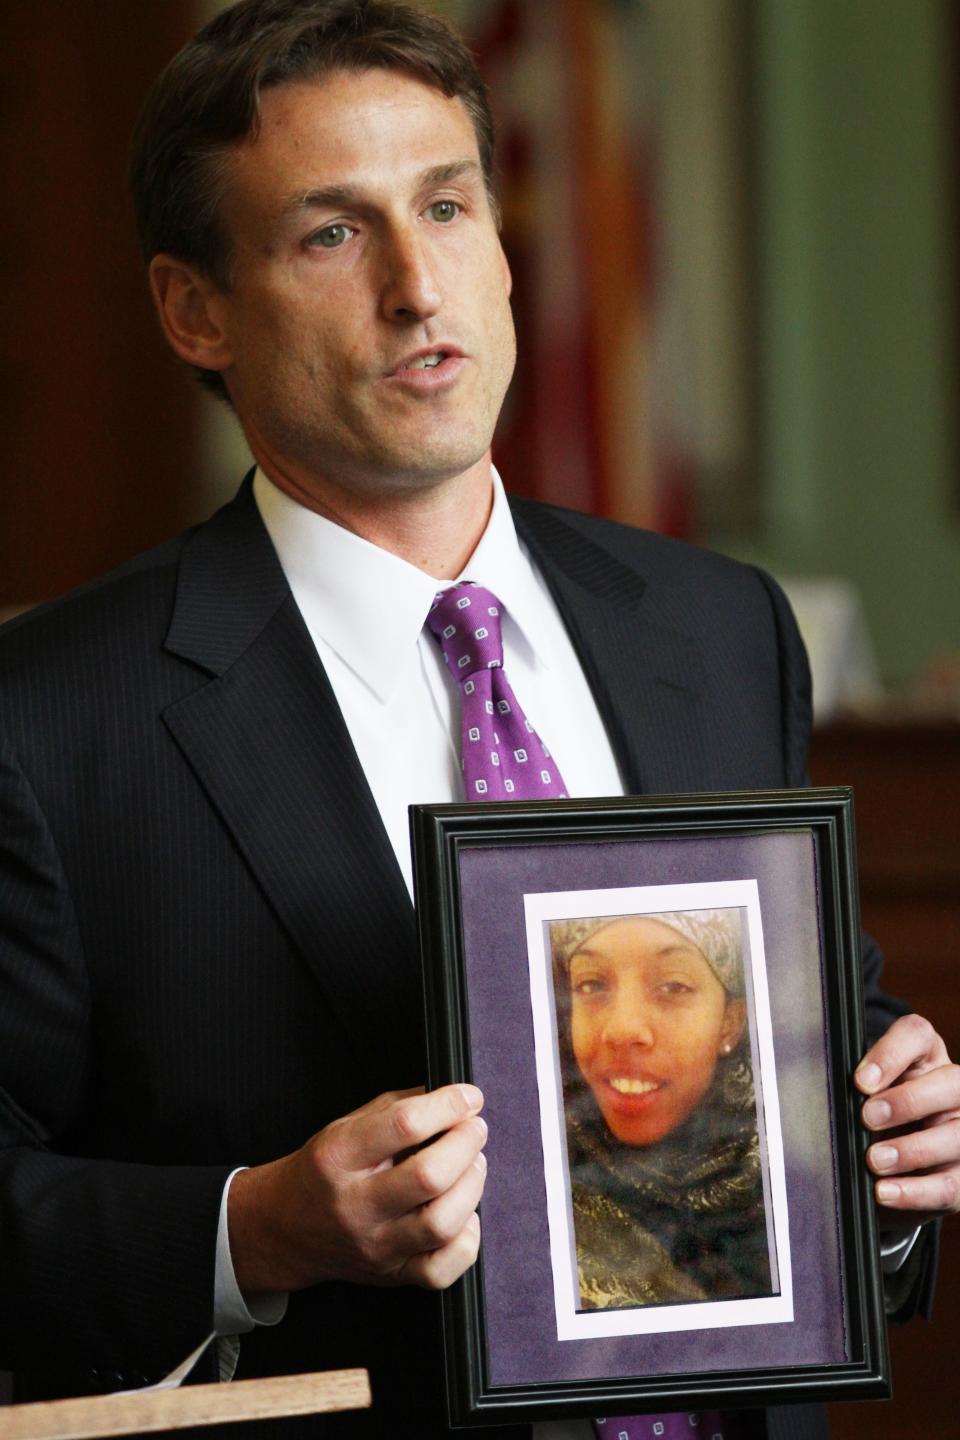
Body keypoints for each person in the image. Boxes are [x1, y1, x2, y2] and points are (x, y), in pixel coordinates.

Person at [0, 2, 957, 1438]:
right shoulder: (50, 719)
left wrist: (892, 1149)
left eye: (447, 206)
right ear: (195, 309)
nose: (416, 285)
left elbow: (815, 1047)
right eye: (332, 233)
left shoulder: (715, 627)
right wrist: (254, 1229)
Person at [551, 910, 772, 1312]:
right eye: (592, 984)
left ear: (729, 1023)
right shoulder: (532, 1182)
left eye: (673, 985)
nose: (622, 1030)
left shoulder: (793, 1174)